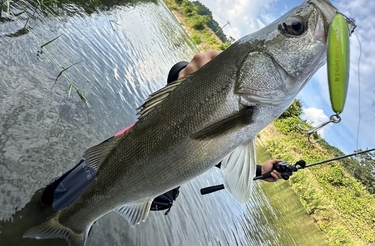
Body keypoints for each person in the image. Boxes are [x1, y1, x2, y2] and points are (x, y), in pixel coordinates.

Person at [40, 51, 283, 213]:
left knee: (87, 211)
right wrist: (183, 75)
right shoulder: (220, 82)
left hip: (151, 183)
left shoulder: (242, 123)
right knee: (55, 197)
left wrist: (260, 170)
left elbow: (218, 150)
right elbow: (179, 71)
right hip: (119, 157)